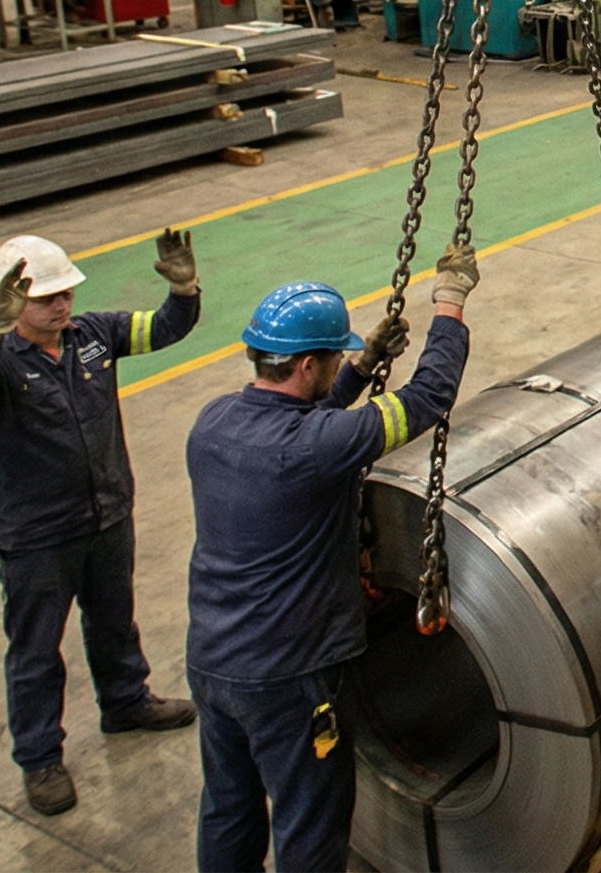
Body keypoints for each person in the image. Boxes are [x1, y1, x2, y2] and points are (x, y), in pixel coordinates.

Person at [183, 246, 478, 873]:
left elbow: (303, 420)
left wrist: (361, 369)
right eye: (336, 359)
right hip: (287, 678)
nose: (342, 364)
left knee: (229, 807)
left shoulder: (213, 424)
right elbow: (428, 397)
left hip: (213, 663)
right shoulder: (318, 447)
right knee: (310, 821)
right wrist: (449, 303)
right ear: (308, 364)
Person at [0, 230, 204, 816]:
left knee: (114, 618)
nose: (61, 306)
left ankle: (125, 701)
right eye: (46, 298)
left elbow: (164, 328)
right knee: (36, 651)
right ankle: (40, 758)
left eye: (66, 293)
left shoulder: (94, 336)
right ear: (9, 301)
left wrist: (185, 291)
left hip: (107, 513)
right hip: (35, 535)